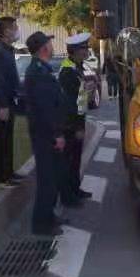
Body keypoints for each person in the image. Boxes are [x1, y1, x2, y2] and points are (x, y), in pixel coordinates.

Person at [24, 31, 82, 235]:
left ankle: (49, 216)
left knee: (55, 177)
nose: (52, 45)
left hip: (46, 133)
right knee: (47, 182)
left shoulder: (42, 69)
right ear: (43, 48)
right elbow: (45, 109)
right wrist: (56, 135)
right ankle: (41, 224)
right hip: (45, 136)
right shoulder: (38, 73)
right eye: (49, 42)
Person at [0, 16, 22, 189]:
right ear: (7, 31)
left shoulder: (7, 49)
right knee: (1, 140)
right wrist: (3, 106)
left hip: (8, 101)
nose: (17, 31)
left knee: (7, 139)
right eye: (15, 27)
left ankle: (8, 173)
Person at [59, 33, 92, 199]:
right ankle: (68, 195)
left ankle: (75, 189)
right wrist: (78, 127)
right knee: (69, 160)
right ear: (75, 51)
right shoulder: (68, 71)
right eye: (84, 48)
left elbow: (82, 98)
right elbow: (73, 103)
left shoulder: (77, 67)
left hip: (76, 121)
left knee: (76, 158)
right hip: (71, 124)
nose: (87, 51)